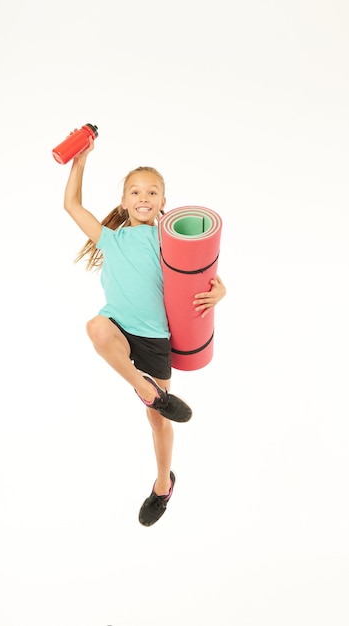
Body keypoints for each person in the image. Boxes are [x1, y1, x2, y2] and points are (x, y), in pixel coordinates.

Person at [63, 137, 226, 526]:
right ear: (123, 202)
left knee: (158, 421)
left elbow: (204, 275)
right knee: (96, 327)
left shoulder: (168, 241)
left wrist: (221, 291)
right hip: (119, 324)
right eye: (135, 191)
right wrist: (80, 161)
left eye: (153, 191)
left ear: (163, 204)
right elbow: (71, 205)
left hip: (155, 336)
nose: (143, 196)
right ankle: (145, 389)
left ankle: (161, 485)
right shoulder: (111, 238)